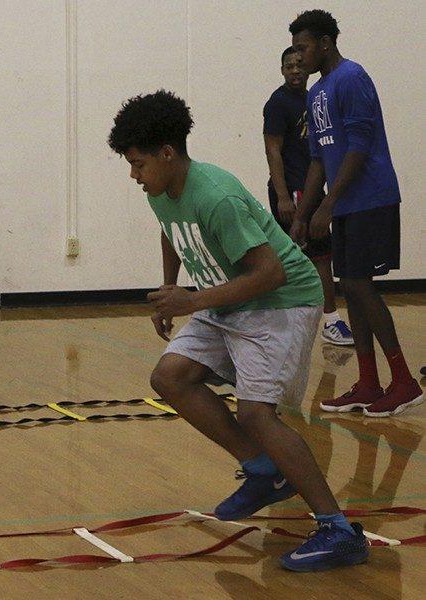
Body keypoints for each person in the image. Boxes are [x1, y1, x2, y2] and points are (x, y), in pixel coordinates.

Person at [108, 89, 368, 572]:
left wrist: (191, 301)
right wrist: (171, 288)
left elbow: (272, 274)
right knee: (170, 377)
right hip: (228, 296)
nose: (133, 175)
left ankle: (337, 528)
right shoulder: (163, 189)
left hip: (280, 300)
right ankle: (264, 470)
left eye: (139, 164)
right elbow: (171, 230)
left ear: (168, 153)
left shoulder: (216, 195)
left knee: (257, 413)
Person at [289, 10, 422, 417]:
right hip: (343, 203)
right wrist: (302, 213)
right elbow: (317, 159)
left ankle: (403, 381)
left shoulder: (353, 77)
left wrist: (328, 205)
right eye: (294, 49)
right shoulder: (315, 93)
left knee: (360, 285)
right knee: (351, 285)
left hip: (371, 198)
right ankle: (368, 382)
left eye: (304, 47)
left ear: (326, 43)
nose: (299, 56)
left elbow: (360, 145)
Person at [263, 46, 352, 345]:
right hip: (293, 192)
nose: (296, 70)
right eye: (289, 66)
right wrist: (283, 196)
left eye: (300, 64)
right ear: (282, 70)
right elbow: (273, 150)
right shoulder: (277, 104)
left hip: (313, 188)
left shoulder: (316, 97)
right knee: (309, 257)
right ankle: (329, 321)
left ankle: (321, 321)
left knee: (318, 256)